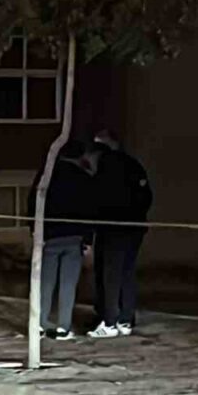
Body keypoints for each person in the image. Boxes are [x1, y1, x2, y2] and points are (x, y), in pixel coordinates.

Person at [88, 129, 152, 338]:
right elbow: (146, 196)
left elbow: (98, 197)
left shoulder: (107, 166)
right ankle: (125, 320)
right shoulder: (133, 165)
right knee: (126, 272)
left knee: (110, 275)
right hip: (133, 227)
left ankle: (109, 321)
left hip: (113, 227)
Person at [29, 142, 96, 340]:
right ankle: (63, 326)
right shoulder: (83, 178)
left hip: (49, 235)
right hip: (74, 236)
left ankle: (40, 323)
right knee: (68, 283)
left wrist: (34, 230)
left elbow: (33, 201)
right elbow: (89, 211)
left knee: (46, 282)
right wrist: (88, 239)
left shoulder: (47, 175)